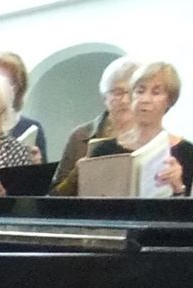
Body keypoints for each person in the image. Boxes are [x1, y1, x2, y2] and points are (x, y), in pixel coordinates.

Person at [73, 61, 190, 196]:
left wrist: (178, 187)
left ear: (170, 100)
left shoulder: (187, 152)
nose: (145, 99)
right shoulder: (104, 150)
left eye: (156, 93)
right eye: (140, 91)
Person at [52, 57, 138, 191]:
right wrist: (75, 176)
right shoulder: (80, 136)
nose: (125, 100)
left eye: (132, 92)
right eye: (117, 93)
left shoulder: (152, 136)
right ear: (105, 98)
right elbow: (53, 196)